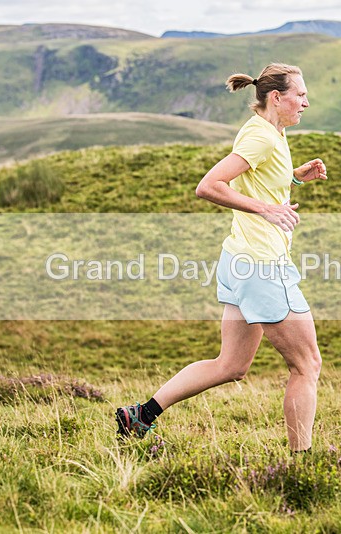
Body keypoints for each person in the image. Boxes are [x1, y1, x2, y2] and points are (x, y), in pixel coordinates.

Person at [115, 63, 328, 452]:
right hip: (263, 267)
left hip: (239, 261)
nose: (306, 102)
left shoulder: (268, 132)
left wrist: (295, 177)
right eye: (300, 95)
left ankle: (140, 415)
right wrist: (266, 210)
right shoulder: (262, 138)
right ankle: (302, 465)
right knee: (307, 365)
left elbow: (255, 178)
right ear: (276, 98)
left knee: (231, 366)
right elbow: (209, 186)